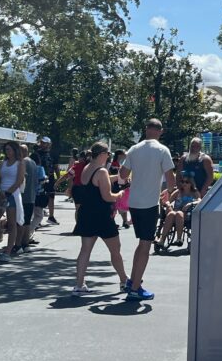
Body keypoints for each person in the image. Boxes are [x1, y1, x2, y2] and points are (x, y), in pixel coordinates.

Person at [119, 119, 178, 301]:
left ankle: (133, 280)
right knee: (146, 245)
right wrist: (169, 193)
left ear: (146, 130)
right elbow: (171, 180)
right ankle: (136, 288)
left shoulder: (134, 149)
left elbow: (122, 175)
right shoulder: (162, 150)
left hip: (134, 203)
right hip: (149, 204)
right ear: (160, 131)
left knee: (141, 243)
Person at [70, 142, 129, 295]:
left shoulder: (87, 168)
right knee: (115, 249)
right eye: (108, 153)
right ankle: (124, 280)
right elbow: (107, 196)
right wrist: (120, 195)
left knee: (85, 250)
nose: (109, 156)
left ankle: (79, 284)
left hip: (86, 213)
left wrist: (116, 177)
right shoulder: (101, 171)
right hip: (101, 216)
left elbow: (98, 181)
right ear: (102, 154)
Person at [0, 142, 24, 262]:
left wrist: (7, 193)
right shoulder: (3, 163)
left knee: (12, 224)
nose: (7, 152)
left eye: (9, 149)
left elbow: (19, 181)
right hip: (0, 194)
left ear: (15, 150)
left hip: (12, 195)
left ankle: (8, 251)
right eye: (6, 149)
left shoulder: (20, 163)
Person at [158, 175, 200, 250]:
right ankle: (162, 239)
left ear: (191, 183)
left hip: (187, 214)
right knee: (171, 213)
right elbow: (168, 201)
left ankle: (179, 238)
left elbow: (200, 200)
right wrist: (168, 205)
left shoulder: (194, 192)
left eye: (187, 182)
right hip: (175, 213)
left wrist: (190, 204)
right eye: (182, 182)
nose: (184, 183)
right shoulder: (178, 191)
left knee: (179, 213)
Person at [33, 136, 59, 225]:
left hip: (50, 178)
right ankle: (38, 216)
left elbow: (56, 167)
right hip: (40, 178)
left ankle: (51, 216)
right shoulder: (36, 153)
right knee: (39, 196)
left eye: (44, 143)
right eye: (42, 142)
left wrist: (58, 179)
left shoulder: (53, 154)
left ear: (49, 144)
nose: (43, 144)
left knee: (51, 196)